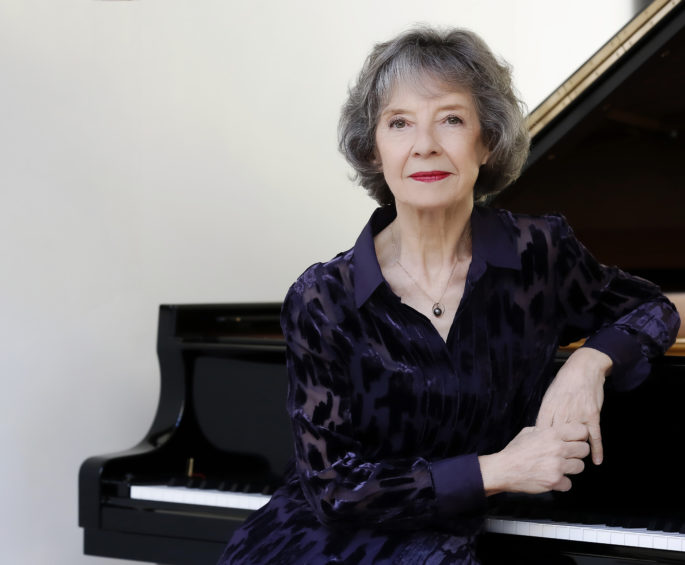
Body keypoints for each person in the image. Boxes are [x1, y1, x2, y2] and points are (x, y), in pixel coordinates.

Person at [217, 26, 680, 565]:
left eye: (451, 119)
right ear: (373, 150)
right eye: (400, 123)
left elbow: (653, 307)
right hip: (336, 546)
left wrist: (589, 364)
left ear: (488, 141)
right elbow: (333, 489)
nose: (425, 145)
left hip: (470, 541)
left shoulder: (539, 253)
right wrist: (501, 469)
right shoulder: (322, 298)